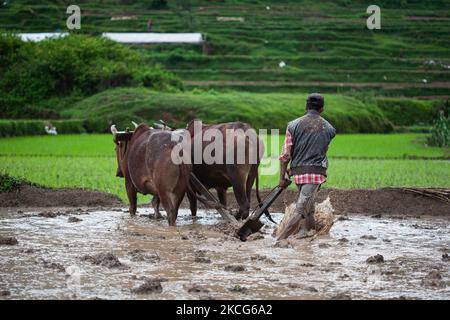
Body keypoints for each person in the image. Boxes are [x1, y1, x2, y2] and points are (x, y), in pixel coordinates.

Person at [277, 93, 336, 240]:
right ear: (322, 109)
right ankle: (310, 235)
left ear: (306, 107)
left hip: (298, 173)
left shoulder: (293, 125)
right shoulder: (329, 129)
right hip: (316, 173)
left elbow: (285, 156)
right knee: (307, 209)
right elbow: (323, 150)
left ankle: (279, 240)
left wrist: (282, 177)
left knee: (301, 209)